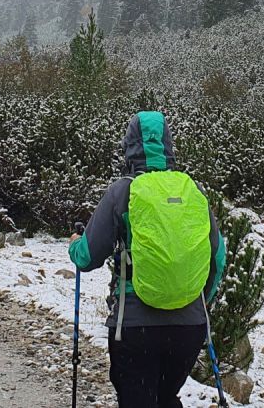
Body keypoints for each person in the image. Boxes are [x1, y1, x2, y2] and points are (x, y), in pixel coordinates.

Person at [68, 111, 225, 408]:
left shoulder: (122, 191)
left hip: (136, 327)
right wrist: (197, 298)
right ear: (169, 145)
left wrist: (75, 244)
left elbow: (87, 257)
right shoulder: (193, 190)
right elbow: (218, 256)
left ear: (128, 146)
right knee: (166, 398)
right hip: (188, 327)